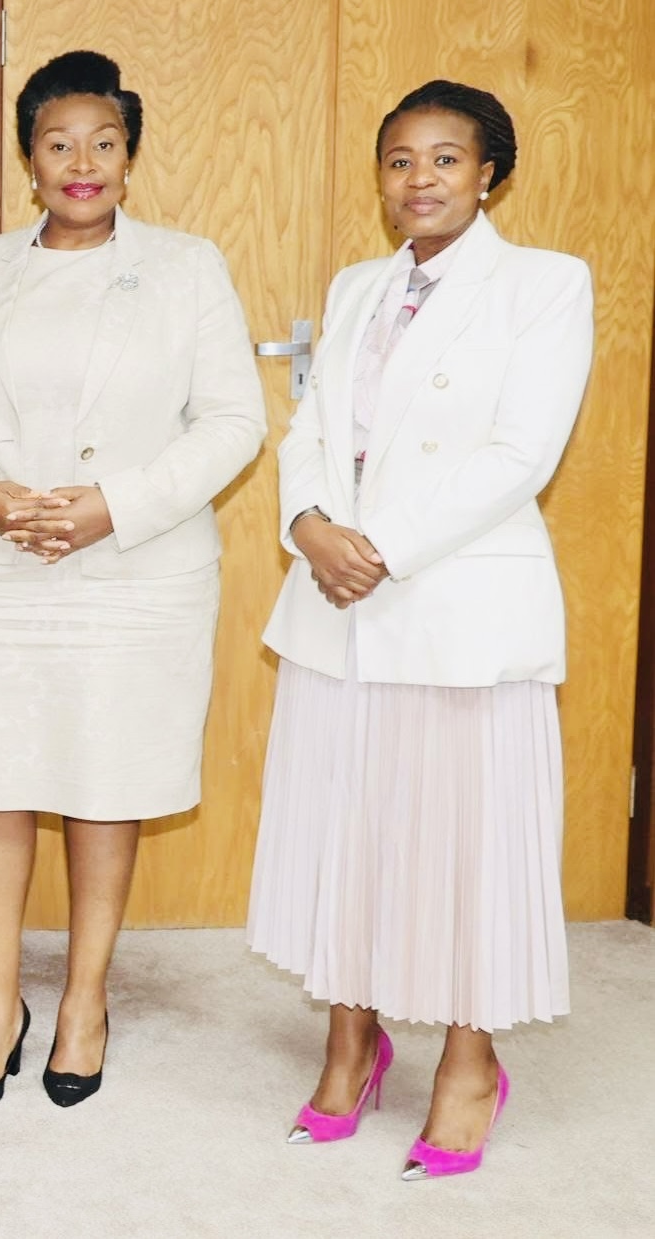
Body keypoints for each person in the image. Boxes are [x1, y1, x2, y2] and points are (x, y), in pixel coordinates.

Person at [0, 51, 264, 1114]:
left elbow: (234, 421)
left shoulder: (190, 267)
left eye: (103, 143)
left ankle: (84, 1003)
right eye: (58, 144)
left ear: (130, 157)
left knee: (109, 787)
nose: (81, 162)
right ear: (29, 159)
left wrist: (115, 507)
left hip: (133, 571)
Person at [249, 81, 591, 1180]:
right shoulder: (357, 285)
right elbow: (309, 427)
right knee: (347, 829)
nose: (420, 180)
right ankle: (350, 1042)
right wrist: (308, 526)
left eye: (446, 159)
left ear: (490, 171)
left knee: (468, 845)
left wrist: (376, 545)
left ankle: (469, 1061)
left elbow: (517, 456)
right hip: (338, 605)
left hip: (452, 607)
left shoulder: (542, 285)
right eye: (399, 159)